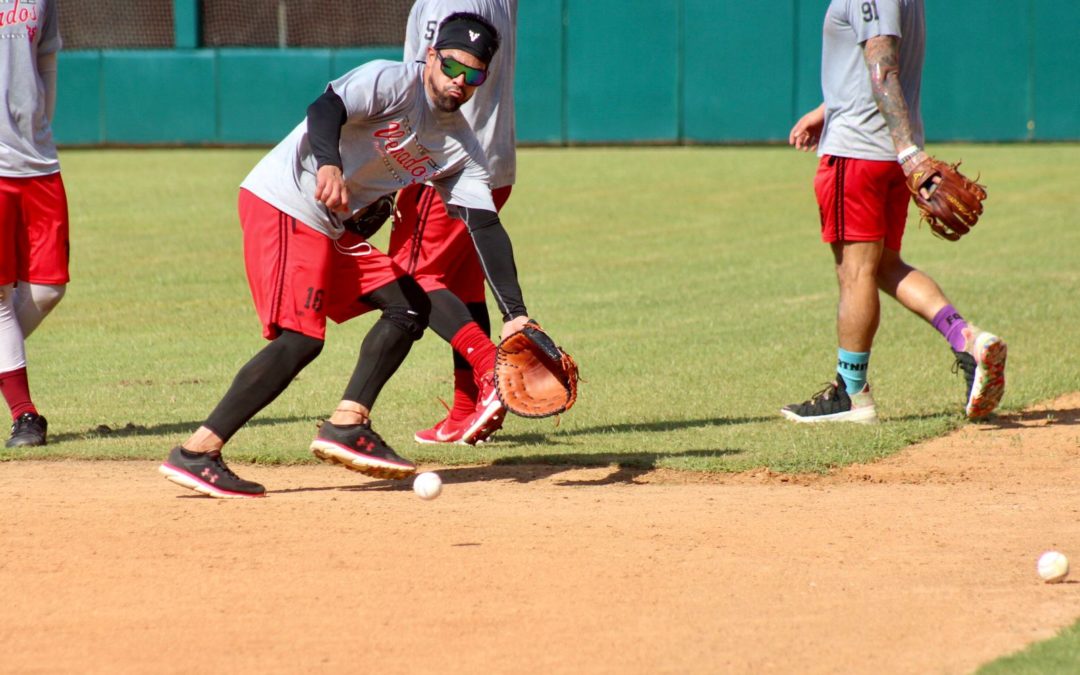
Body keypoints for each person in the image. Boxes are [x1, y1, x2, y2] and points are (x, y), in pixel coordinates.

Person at [159, 12, 531, 498]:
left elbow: (485, 226)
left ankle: (347, 423)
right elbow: (326, 107)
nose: (460, 82)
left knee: (410, 303)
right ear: (432, 56)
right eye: (453, 67)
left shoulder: (458, 147)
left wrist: (516, 316)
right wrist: (329, 164)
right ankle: (198, 452)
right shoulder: (392, 81)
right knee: (300, 339)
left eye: (474, 74)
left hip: (326, 223)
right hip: (286, 199)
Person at [782, 0, 1006, 424]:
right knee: (884, 265)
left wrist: (908, 153)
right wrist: (826, 110)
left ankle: (850, 395)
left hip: (859, 154)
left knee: (855, 272)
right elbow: (867, 65)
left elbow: (883, 68)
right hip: (881, 150)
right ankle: (968, 339)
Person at [391, 0, 517, 446]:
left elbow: (430, 91)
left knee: (410, 274)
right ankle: (470, 408)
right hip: (495, 163)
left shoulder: (453, 5)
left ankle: (488, 375)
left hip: (445, 165)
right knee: (463, 286)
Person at [0, 0, 69, 448]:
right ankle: (25, 413)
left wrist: (42, 123)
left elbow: (46, 57)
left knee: (47, 289)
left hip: (37, 160)